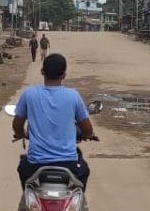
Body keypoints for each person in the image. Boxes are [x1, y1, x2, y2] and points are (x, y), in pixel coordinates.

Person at [12, 53, 95, 188]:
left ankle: (28, 202)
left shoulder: (29, 94)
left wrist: (21, 134)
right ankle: (77, 206)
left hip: (35, 163)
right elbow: (87, 129)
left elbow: (17, 124)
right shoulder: (73, 96)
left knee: (23, 169)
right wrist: (87, 136)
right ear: (64, 75)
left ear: (42, 72)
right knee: (84, 171)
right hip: (69, 163)